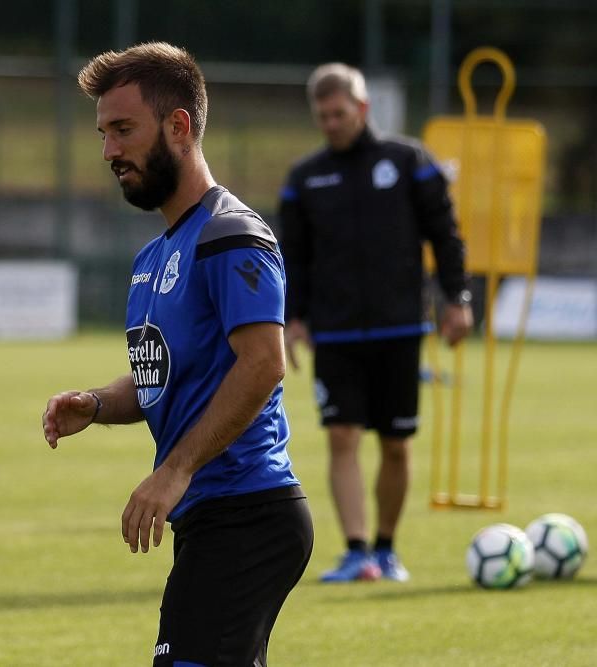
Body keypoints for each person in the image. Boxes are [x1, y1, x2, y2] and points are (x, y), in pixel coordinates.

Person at [43, 42, 313, 666]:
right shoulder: (153, 259)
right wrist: (96, 403)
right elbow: (158, 378)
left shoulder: (230, 235)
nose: (109, 151)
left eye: (123, 130)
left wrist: (175, 469)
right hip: (211, 519)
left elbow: (264, 363)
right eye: (103, 133)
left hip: (249, 511)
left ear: (179, 126)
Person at [278, 63, 473, 583]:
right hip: (335, 332)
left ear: (362, 109)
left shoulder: (408, 161)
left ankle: (387, 550)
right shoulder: (304, 179)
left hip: (400, 327)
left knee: (395, 442)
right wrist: (293, 318)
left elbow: (446, 235)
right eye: (323, 116)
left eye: (339, 113)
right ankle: (356, 551)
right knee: (342, 437)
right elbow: (292, 258)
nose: (332, 124)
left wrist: (458, 298)